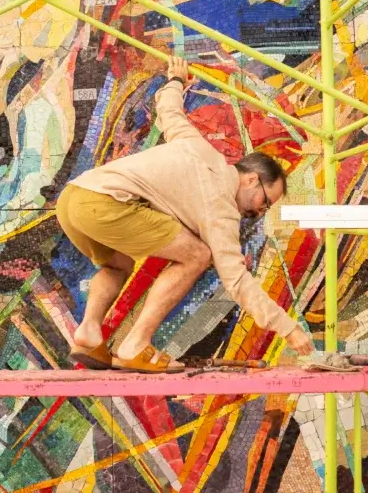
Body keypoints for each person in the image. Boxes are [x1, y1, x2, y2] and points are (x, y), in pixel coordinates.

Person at [56, 55, 314, 373]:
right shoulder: (221, 206)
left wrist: (176, 81)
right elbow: (236, 279)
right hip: (105, 205)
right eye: (264, 201)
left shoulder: (197, 146)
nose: (259, 211)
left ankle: (88, 333)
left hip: (74, 198)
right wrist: (288, 328)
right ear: (250, 179)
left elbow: (169, 112)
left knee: (118, 264)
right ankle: (135, 344)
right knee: (197, 254)